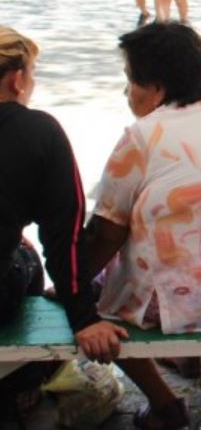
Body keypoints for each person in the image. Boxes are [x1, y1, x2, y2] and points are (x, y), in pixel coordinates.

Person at [84, 22, 201, 429]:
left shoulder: (142, 135)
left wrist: (72, 282)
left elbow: (106, 234)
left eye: (130, 81)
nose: (127, 92)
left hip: (169, 301)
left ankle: (166, 406)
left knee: (96, 295)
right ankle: (185, 354)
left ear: (157, 89)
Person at [0, 27, 129, 412]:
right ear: (18, 79)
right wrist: (84, 319)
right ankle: (20, 383)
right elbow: (64, 235)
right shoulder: (38, 130)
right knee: (28, 261)